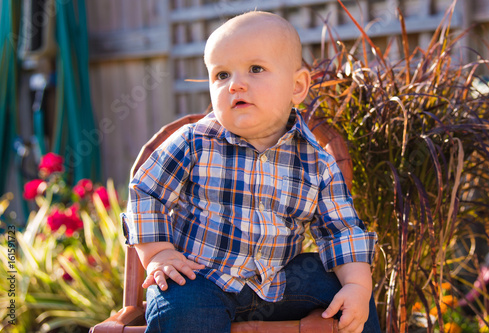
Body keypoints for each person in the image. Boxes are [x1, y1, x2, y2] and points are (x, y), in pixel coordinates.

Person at [122, 11, 380, 333]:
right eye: (221, 75)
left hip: (281, 283)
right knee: (182, 305)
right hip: (201, 278)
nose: (236, 84)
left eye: (255, 69)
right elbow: (147, 191)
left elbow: (341, 230)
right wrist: (159, 252)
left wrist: (356, 286)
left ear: (297, 86)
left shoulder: (317, 162)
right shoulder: (195, 142)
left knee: (351, 291)